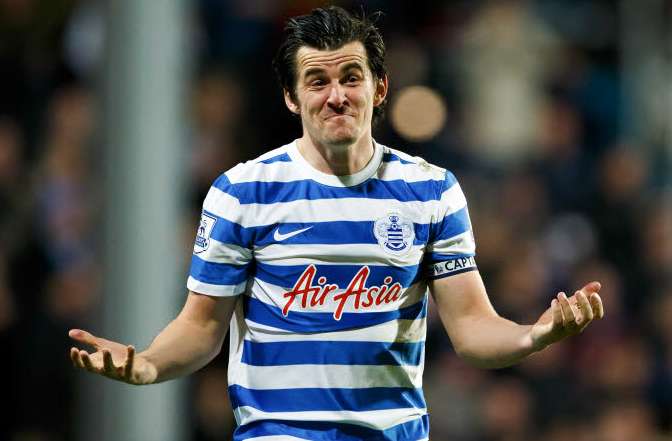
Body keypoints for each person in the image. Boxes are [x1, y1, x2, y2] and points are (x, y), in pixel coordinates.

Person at [69, 6, 605, 441]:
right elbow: (201, 327)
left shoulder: (431, 190)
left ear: (380, 88)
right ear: (291, 96)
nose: (336, 96)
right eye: (317, 81)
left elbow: (471, 328)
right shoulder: (243, 192)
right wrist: (148, 365)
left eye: (351, 78)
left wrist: (534, 335)